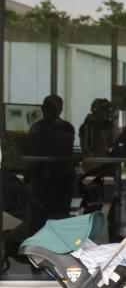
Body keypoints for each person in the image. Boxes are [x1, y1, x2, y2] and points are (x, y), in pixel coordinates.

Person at [24, 95, 75, 229]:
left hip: (49, 181)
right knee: (53, 219)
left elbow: (32, 151)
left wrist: (28, 172)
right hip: (54, 180)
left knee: (43, 219)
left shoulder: (39, 128)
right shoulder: (66, 128)